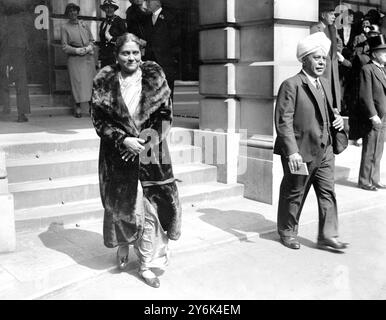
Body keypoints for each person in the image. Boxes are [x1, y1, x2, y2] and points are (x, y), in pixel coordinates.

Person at [90, 33, 182, 288]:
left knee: (153, 208)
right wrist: (123, 140)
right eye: (125, 53)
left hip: (152, 151)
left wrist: (142, 142)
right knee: (124, 205)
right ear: (116, 56)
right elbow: (99, 119)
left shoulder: (155, 75)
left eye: (135, 53)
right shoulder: (104, 80)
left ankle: (147, 264)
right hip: (117, 153)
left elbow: (165, 115)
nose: (131, 58)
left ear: (141, 54)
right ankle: (123, 242)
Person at [274, 32, 349, 252]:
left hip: (324, 151)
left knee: (328, 193)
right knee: (294, 193)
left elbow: (328, 110)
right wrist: (292, 152)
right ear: (304, 59)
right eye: (316, 58)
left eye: (324, 59)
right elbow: (283, 121)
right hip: (300, 150)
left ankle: (328, 235)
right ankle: (287, 231)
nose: (321, 63)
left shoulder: (324, 83)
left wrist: (336, 118)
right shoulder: (291, 85)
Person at [357, 34, 386, 191]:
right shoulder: (367, 69)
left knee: (379, 148)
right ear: (374, 54)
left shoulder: (383, 69)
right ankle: (365, 180)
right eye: (383, 52)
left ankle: (375, 179)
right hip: (375, 116)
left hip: (384, 115)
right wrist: (372, 114)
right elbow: (365, 95)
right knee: (370, 149)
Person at [311, 4, 350, 112]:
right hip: (322, 67)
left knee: (333, 95)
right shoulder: (315, 28)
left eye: (334, 14)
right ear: (323, 15)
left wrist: (337, 53)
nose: (334, 17)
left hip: (333, 67)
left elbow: (339, 43)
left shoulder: (333, 28)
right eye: (331, 14)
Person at [61, 3, 96, 118]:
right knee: (77, 84)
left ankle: (92, 108)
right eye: (70, 11)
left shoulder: (84, 24)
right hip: (75, 59)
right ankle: (78, 107)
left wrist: (89, 47)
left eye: (74, 11)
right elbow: (64, 46)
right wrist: (76, 51)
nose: (73, 13)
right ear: (67, 14)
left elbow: (92, 40)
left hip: (88, 59)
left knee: (90, 83)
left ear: (77, 12)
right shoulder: (65, 27)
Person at [0, 2, 31, 122]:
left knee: (3, 80)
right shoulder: (21, 22)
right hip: (18, 53)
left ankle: (6, 107)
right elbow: (25, 43)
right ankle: (21, 114)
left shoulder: (3, 21)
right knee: (21, 83)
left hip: (4, 53)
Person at [143, 0, 180, 97]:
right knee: (152, 92)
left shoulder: (169, 17)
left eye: (149, 1)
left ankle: (167, 111)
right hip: (151, 62)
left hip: (166, 62)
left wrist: (173, 59)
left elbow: (175, 39)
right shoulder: (147, 19)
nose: (147, 3)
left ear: (158, 2)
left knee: (166, 91)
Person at [98, 0, 126, 68]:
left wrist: (112, 39)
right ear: (104, 9)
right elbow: (102, 41)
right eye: (107, 7)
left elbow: (125, 39)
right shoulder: (103, 23)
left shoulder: (119, 21)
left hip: (115, 56)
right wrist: (99, 57)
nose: (109, 10)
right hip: (104, 57)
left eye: (111, 7)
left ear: (114, 9)